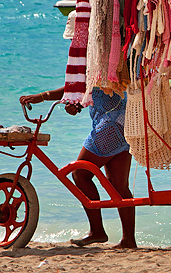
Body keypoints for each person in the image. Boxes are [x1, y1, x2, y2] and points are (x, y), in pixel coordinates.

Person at [19, 87, 137, 249]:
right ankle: (128, 240)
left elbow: (78, 85)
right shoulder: (112, 62)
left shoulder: (91, 61)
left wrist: (42, 96)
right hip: (126, 123)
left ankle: (97, 231)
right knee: (119, 186)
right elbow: (98, 89)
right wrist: (80, 104)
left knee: (80, 174)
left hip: (109, 124)